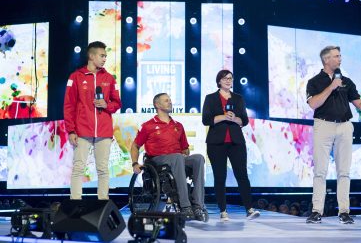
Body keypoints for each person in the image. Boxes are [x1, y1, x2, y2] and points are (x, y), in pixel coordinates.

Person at [305, 45, 361, 224]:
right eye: (336, 56)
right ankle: (316, 211)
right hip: (323, 125)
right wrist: (331, 86)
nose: (340, 59)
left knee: (344, 172)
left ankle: (344, 211)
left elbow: (359, 103)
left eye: (340, 56)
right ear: (326, 60)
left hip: (344, 126)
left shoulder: (347, 81)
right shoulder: (314, 81)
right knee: (320, 171)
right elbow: (313, 104)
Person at [130, 93, 207, 221]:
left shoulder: (178, 125)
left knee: (198, 158)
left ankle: (198, 206)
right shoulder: (148, 126)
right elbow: (135, 146)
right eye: (166, 101)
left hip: (177, 159)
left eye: (170, 100)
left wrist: (185, 152)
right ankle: (185, 206)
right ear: (157, 104)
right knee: (177, 157)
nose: (170, 102)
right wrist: (134, 163)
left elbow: (185, 149)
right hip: (157, 160)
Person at [64, 41, 121, 200]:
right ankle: (75, 203)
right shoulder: (75, 77)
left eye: (105, 56)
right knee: (78, 168)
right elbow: (69, 105)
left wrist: (106, 104)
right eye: (102, 56)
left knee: (103, 169)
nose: (104, 59)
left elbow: (117, 103)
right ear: (91, 56)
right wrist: (71, 130)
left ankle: (103, 203)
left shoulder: (109, 78)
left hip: (103, 131)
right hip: (82, 131)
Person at [202, 69, 260, 221]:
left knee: (242, 175)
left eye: (230, 78)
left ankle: (249, 208)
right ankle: (223, 211)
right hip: (216, 143)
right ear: (219, 81)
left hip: (236, 142)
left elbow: (244, 121)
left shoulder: (238, 98)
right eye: (225, 78)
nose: (228, 80)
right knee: (220, 176)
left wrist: (234, 119)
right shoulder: (210, 98)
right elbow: (206, 119)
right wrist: (222, 117)